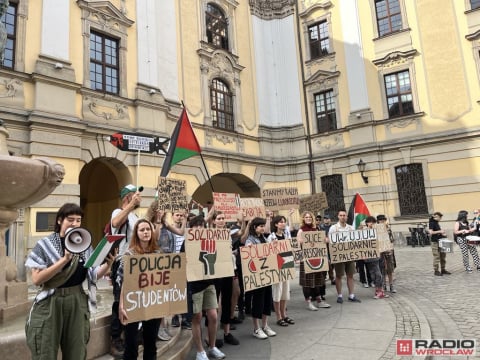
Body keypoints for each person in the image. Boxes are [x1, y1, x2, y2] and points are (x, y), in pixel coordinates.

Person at [25, 203, 113, 360]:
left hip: (77, 300)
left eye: (78, 220)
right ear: (60, 220)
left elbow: (93, 275)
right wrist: (64, 260)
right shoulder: (45, 245)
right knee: (45, 350)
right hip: (50, 302)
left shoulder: (84, 244)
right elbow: (37, 279)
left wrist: (109, 264)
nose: (74, 224)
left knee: (76, 350)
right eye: (70, 219)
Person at [117, 219, 161, 360]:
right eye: (142, 230)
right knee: (130, 344)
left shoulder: (158, 254)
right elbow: (123, 282)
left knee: (150, 343)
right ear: (136, 233)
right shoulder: (129, 255)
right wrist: (122, 305)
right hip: (133, 304)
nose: (146, 232)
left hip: (153, 303)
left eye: (148, 229)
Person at [186, 215, 226, 360]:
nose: (199, 228)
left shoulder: (211, 240)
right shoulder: (187, 242)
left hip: (209, 282)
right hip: (194, 285)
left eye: (201, 225)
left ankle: (212, 347)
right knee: (197, 317)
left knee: (213, 316)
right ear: (191, 228)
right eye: (196, 226)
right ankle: (200, 351)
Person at [109, 184, 142, 357]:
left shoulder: (136, 216)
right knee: (118, 300)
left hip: (136, 262)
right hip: (121, 261)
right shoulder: (118, 212)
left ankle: (131, 333)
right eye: (134, 194)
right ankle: (115, 339)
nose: (138, 197)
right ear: (126, 198)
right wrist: (129, 207)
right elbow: (115, 223)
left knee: (133, 299)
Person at [242, 217, 277, 339]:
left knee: (267, 301)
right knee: (258, 301)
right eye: (260, 226)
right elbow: (247, 257)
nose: (263, 228)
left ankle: (265, 325)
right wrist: (249, 249)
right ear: (255, 227)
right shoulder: (250, 240)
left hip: (266, 275)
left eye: (263, 225)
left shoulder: (265, 239)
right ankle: (256, 328)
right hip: (257, 278)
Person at [297, 211, 331, 310]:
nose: (308, 219)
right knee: (307, 283)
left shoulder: (316, 229)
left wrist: (326, 240)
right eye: (306, 217)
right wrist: (299, 258)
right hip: (306, 260)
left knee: (317, 281)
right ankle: (308, 302)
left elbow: (323, 242)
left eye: (310, 217)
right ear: (303, 219)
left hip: (317, 259)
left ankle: (319, 300)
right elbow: (298, 247)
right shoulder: (301, 231)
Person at [267, 211, 295, 327]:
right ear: (276, 224)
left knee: (285, 292)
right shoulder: (271, 237)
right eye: (281, 222)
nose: (283, 224)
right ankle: (278, 316)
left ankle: (284, 314)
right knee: (277, 293)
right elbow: (268, 253)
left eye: (284, 222)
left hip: (286, 265)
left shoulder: (286, 235)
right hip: (276, 267)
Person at [328, 209, 361, 304]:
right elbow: (330, 242)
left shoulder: (351, 228)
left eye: (344, 215)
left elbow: (355, 241)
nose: (343, 217)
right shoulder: (333, 228)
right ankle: (339, 295)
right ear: (338, 216)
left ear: (346, 217)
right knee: (339, 276)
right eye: (341, 215)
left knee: (350, 275)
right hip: (339, 256)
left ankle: (351, 295)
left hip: (350, 256)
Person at [362, 216, 389, 299]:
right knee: (373, 274)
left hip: (378, 255)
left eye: (373, 222)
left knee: (378, 273)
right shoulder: (363, 232)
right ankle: (377, 290)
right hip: (369, 256)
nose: (371, 224)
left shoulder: (378, 231)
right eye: (369, 222)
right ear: (366, 223)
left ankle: (380, 291)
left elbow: (383, 241)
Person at [376, 215, 397, 293]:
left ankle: (391, 285)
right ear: (378, 221)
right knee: (382, 269)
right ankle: (384, 285)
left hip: (388, 252)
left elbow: (391, 240)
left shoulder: (388, 229)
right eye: (380, 220)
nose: (382, 222)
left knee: (390, 269)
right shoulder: (376, 230)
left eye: (383, 220)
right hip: (380, 252)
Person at [428, 212, 450, 276]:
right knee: (437, 256)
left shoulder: (436, 223)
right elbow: (431, 232)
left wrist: (442, 234)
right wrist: (440, 231)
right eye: (439, 217)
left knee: (443, 256)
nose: (440, 218)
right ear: (435, 217)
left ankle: (443, 269)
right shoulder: (431, 223)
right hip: (435, 242)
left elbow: (437, 232)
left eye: (440, 217)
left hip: (441, 240)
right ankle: (436, 271)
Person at [320, 214, 335, 285]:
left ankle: (330, 277)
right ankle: (330, 278)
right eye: (325, 218)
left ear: (330, 220)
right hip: (324, 247)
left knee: (331, 263)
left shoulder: (333, 227)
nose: (326, 220)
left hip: (332, 247)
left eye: (327, 218)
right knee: (326, 262)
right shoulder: (321, 227)